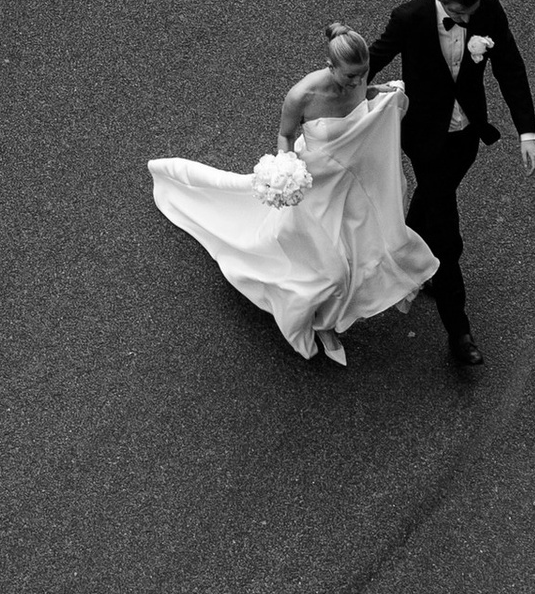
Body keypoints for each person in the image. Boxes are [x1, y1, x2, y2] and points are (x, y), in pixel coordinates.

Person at [149, 24, 437, 366]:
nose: (355, 82)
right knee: (331, 270)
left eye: (362, 74)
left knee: (367, 245)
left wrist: (377, 91)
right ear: (330, 68)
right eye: (349, 76)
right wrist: (285, 173)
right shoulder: (302, 96)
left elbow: (362, 97)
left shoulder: (359, 80)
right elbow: (285, 136)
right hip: (315, 189)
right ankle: (323, 322)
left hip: (352, 180)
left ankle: (338, 314)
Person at [368, 0, 535, 374]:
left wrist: (526, 133)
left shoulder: (488, 10)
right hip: (425, 139)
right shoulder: (409, 17)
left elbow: (511, 68)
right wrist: (332, 101)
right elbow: (371, 60)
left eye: (470, 14)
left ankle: (404, 254)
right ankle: (459, 333)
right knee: (448, 238)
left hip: (465, 140)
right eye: (459, 16)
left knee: (431, 199)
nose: (467, 21)